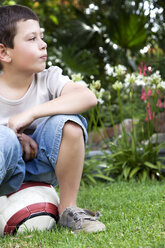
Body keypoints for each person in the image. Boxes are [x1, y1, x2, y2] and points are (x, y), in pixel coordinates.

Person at [0, 4, 105, 233]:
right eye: (31, 39)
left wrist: (29, 115)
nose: (43, 44)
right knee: (4, 139)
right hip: (5, 170)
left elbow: (87, 97)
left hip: (40, 166)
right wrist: (13, 136)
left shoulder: (48, 78)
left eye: (42, 37)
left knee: (69, 123)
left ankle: (69, 210)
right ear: (5, 53)